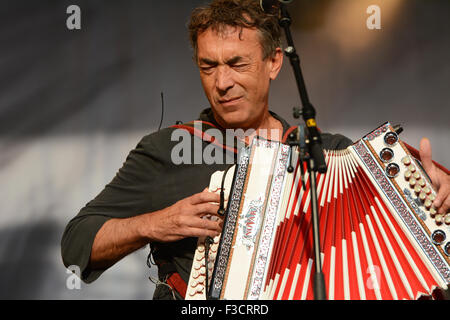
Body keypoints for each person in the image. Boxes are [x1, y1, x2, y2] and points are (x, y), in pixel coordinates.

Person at [61, 0, 450, 300]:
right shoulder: (169, 150)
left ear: (274, 62)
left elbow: (397, 254)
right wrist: (155, 223)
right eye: (208, 66)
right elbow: (76, 245)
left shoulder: (327, 153)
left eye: (236, 63)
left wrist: (431, 202)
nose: (222, 82)